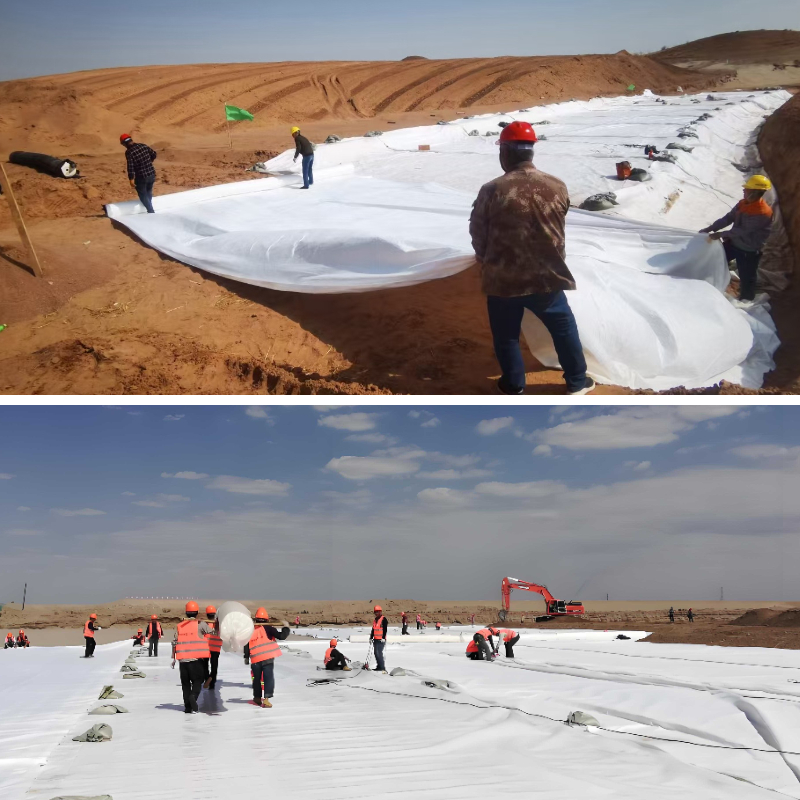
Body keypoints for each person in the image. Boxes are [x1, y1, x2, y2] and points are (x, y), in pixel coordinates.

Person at [469, 121, 594, 396]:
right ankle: (576, 381)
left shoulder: (492, 189)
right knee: (563, 329)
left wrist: (486, 260)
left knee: (507, 335)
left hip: (503, 279)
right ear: (531, 151)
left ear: (504, 151)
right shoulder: (557, 185)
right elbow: (558, 224)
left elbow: (478, 233)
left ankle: (513, 385)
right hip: (547, 276)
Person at [699, 175, 773, 301]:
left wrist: (720, 234)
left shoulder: (763, 212)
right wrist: (711, 228)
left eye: (747, 188)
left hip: (748, 250)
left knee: (747, 277)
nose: (744, 190)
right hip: (733, 243)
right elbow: (728, 218)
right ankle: (709, 284)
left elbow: (743, 231)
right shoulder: (743, 204)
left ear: (755, 192)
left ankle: (746, 299)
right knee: (715, 260)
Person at [244, 608, 289, 708]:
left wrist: (246, 657)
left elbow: (246, 644)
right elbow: (281, 636)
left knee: (256, 679)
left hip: (255, 659)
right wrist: (286, 628)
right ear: (266, 619)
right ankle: (266, 699)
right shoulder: (268, 628)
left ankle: (257, 698)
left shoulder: (250, 630)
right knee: (268, 678)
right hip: (267, 658)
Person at [172, 600, 211, 714]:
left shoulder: (180, 626)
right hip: (195, 660)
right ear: (197, 612)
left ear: (186, 612)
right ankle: (193, 696)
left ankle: (188, 708)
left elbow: (175, 641)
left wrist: (173, 658)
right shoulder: (200, 624)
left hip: (183, 661)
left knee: (185, 685)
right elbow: (212, 632)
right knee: (198, 680)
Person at [120, 133, 157, 214]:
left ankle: (150, 211)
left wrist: (131, 179)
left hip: (141, 176)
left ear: (124, 144)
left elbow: (130, 166)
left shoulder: (129, 152)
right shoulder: (143, 146)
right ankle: (149, 206)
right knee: (149, 191)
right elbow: (154, 154)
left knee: (142, 194)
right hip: (151, 173)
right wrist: (149, 162)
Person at [203, 606, 222, 690]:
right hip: (216, 648)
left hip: (206, 648)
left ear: (207, 615)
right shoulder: (219, 625)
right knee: (214, 666)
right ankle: (212, 682)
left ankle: (207, 678)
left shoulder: (205, 624)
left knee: (205, 665)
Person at [370, 605, 388, 673]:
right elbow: (373, 629)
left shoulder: (383, 619)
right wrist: (371, 637)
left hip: (381, 640)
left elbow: (385, 629)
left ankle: (382, 667)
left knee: (379, 653)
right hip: (375, 639)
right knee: (376, 653)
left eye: (377, 612)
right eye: (375, 612)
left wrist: (383, 638)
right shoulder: (375, 620)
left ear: (380, 612)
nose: (376, 613)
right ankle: (379, 666)